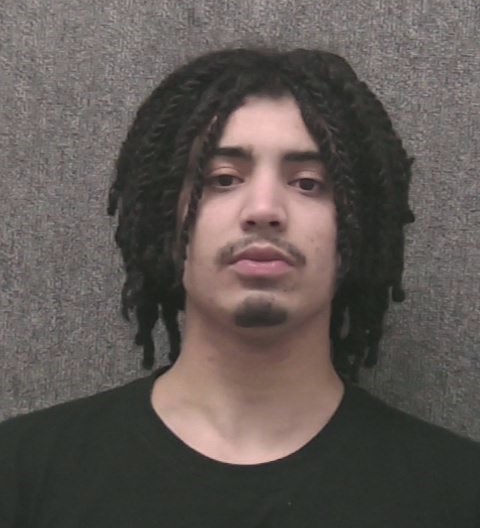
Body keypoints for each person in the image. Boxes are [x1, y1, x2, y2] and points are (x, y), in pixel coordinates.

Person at [1, 47, 479, 527]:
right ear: (164, 218)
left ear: (359, 228)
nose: (264, 209)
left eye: (308, 183)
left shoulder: (457, 492)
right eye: (223, 179)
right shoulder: (23, 474)